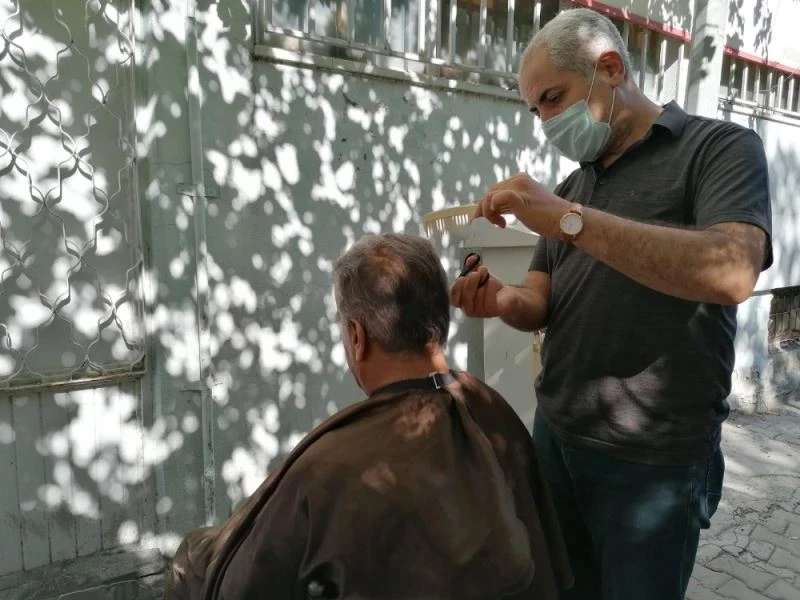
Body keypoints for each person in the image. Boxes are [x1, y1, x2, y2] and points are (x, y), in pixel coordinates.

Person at [450, 8, 772, 600]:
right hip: (557, 433)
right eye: (536, 110)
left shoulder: (717, 148)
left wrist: (567, 220)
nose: (547, 122)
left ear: (611, 68)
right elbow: (540, 302)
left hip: (652, 460)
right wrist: (502, 300)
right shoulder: (574, 186)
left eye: (553, 98)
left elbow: (733, 271)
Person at [167, 233, 573, 600]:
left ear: (357, 336)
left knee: (193, 559)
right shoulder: (496, 412)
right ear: (439, 320)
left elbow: (242, 583)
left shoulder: (329, 468)